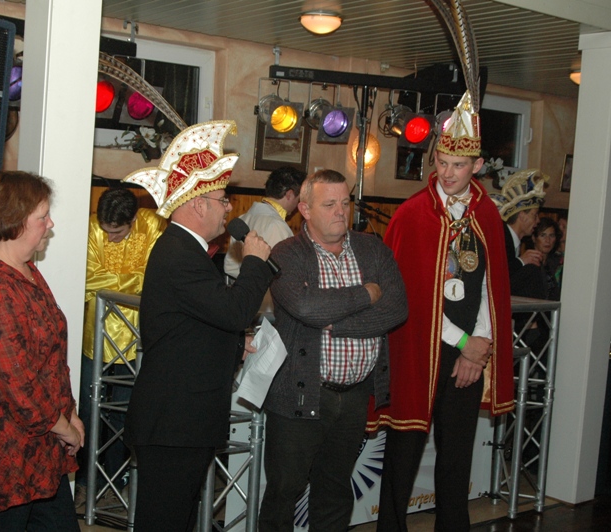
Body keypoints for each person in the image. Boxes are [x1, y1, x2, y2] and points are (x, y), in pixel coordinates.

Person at [372, 90, 515, 532]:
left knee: (456, 455)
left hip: (470, 353)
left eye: (459, 165)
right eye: (442, 162)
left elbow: (491, 285)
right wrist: (465, 342)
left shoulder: (487, 215)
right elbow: (408, 300)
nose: (448, 173)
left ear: (477, 166)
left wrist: (481, 344)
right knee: (404, 453)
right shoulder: (412, 215)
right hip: (420, 348)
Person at [122, 120, 275, 532]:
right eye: (223, 200)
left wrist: (235, 345)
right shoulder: (179, 254)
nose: (229, 209)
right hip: (173, 422)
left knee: (178, 520)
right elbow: (234, 312)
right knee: (164, 522)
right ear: (198, 205)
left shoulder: (187, 251)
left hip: (183, 421)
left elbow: (199, 324)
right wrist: (255, 263)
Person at [258, 169, 408, 531]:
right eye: (329, 204)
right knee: (284, 490)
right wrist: (366, 294)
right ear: (305, 209)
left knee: (336, 490)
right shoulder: (286, 253)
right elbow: (307, 307)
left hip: (354, 395)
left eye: (345, 202)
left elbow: (397, 308)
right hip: (299, 393)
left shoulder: (372, 249)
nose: (341, 211)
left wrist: (337, 325)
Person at [0, 170, 84, 531]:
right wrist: (64, 428)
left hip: (41, 450)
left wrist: (69, 412)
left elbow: (50, 359)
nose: (50, 224)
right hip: (4, 456)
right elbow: (17, 387)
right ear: (15, 221)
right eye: (43, 217)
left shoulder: (26, 270)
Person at [76, 187, 165, 510]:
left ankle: (115, 481)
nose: (110, 238)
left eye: (118, 232)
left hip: (135, 340)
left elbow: (155, 277)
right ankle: (85, 482)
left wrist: (112, 281)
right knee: (87, 412)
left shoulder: (153, 225)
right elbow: (86, 279)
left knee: (124, 416)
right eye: (106, 232)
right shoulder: (89, 227)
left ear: (133, 219)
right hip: (95, 338)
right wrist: (131, 280)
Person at [223, 165, 305, 279]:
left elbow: (230, 267)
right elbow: (286, 275)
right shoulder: (278, 226)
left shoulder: (243, 218)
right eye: (299, 199)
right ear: (289, 195)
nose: (298, 204)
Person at [491, 169, 549, 298]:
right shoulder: (500, 237)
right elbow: (495, 274)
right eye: (534, 215)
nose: (538, 221)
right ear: (522, 216)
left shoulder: (511, 239)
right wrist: (522, 261)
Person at [530, 216, 563, 301]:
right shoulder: (528, 264)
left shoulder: (555, 263)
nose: (547, 240)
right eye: (543, 235)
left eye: (551, 235)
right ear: (534, 238)